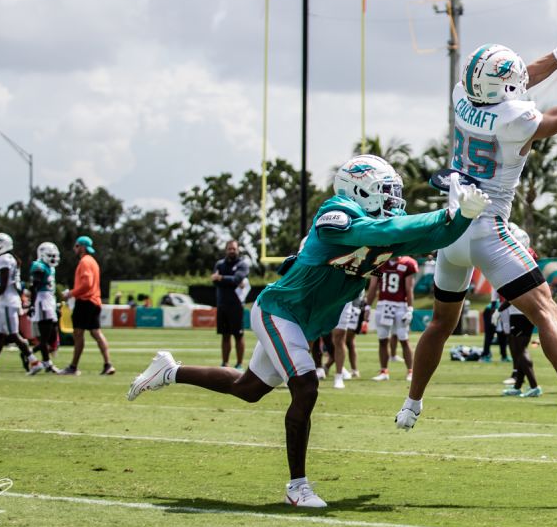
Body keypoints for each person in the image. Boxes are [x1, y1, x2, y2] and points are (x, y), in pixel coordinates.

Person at [128, 155, 488, 507]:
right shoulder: (337, 214)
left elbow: (434, 237)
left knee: (248, 389)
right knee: (306, 384)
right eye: (385, 189)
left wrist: (463, 216)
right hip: (279, 310)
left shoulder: (384, 229)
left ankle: (169, 371)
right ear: (360, 190)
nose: (393, 197)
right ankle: (297, 487)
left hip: (303, 321)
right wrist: (445, 215)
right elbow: (378, 231)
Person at [397, 14, 557, 428]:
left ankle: (411, 404)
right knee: (547, 312)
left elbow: (521, 81)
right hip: (489, 229)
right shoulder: (513, 120)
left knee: (440, 323)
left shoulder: (461, 98)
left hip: (452, 232)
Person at [0, 233, 40, 375]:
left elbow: (3, 285)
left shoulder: (4, 259)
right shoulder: (10, 258)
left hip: (8, 302)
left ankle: (34, 361)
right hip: (8, 300)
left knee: (14, 335)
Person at [59, 236, 114, 375]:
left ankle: (73, 366)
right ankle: (108, 364)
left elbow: (87, 284)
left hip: (85, 302)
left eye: (77, 246)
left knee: (78, 334)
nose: (74, 248)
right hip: (95, 301)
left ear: (82, 247)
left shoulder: (84, 262)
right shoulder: (93, 262)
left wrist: (70, 293)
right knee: (96, 332)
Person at [501, 224, 542, 397]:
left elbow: (515, 290)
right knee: (516, 347)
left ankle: (534, 386)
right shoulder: (527, 258)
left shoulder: (519, 261)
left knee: (520, 349)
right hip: (519, 310)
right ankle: (518, 385)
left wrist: (501, 307)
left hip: (520, 311)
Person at [365, 254, 419, 385]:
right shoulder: (380, 262)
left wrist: (410, 308)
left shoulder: (408, 263)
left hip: (400, 305)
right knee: (382, 339)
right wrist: (367, 306)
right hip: (383, 304)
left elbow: (409, 288)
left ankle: (411, 371)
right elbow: (373, 286)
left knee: (403, 339)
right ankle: (384, 371)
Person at [213, 240, 251, 369]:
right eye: (229, 248)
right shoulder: (219, 264)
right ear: (226, 250)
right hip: (222, 304)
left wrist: (222, 278)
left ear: (238, 249)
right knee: (225, 335)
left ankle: (239, 364)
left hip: (236, 306)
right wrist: (225, 280)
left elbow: (237, 279)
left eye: (234, 248)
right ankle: (225, 363)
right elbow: (215, 281)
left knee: (238, 335)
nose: (231, 251)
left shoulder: (243, 264)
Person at [29, 242, 61, 373]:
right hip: (42, 302)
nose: (53, 258)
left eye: (54, 256)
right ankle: (46, 363)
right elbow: (34, 288)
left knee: (51, 336)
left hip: (50, 301)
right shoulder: (39, 266)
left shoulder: (51, 268)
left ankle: (29, 353)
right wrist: (32, 305)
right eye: (50, 255)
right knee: (45, 337)